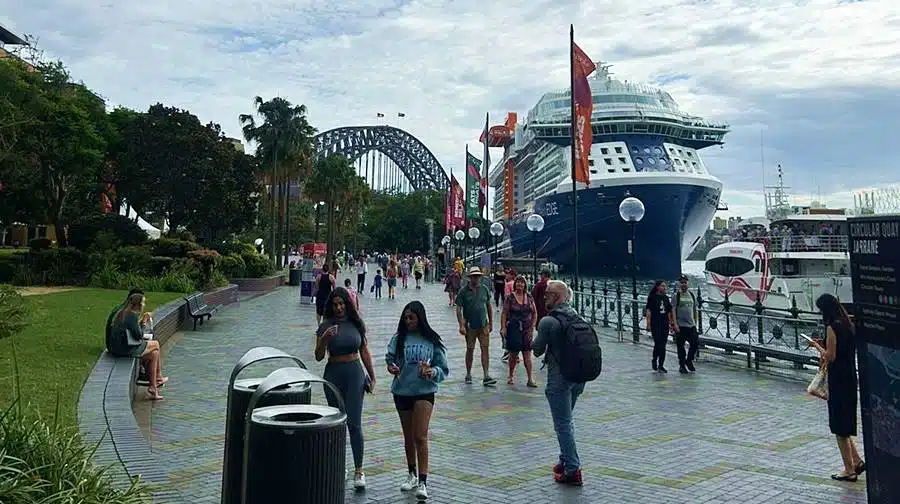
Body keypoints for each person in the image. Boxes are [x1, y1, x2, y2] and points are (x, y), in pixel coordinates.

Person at [385, 301, 450, 501]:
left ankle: (423, 480)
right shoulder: (399, 338)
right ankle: (411, 473)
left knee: (420, 436)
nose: (408, 321)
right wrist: (392, 367)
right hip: (402, 391)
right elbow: (390, 360)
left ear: (420, 318)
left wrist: (432, 372)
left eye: (411, 318)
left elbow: (443, 368)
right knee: (408, 437)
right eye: (405, 318)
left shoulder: (432, 340)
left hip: (424, 391)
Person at [314, 287, 376, 490]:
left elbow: (364, 350)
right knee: (336, 423)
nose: (339, 308)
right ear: (331, 306)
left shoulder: (356, 323)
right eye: (335, 304)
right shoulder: (325, 325)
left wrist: (372, 376)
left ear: (347, 304)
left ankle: (359, 469)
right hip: (333, 374)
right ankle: (340, 465)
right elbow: (318, 356)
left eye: (342, 304)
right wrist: (324, 339)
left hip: (354, 374)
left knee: (354, 423)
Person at [532, 280, 584, 486]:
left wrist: (526, 339)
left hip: (559, 379)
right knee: (567, 421)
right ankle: (565, 460)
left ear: (558, 296)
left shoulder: (548, 321)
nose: (544, 296)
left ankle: (572, 469)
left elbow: (536, 349)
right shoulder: (577, 315)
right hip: (579, 378)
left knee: (562, 424)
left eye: (548, 293)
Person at [809, 293, 865, 482]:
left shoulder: (832, 327)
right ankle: (856, 461)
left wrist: (816, 346)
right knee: (845, 422)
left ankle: (848, 471)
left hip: (838, 379)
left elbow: (830, 356)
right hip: (850, 376)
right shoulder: (849, 325)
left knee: (838, 427)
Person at [108, 293, 168, 400]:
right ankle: (158, 378)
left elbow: (133, 331)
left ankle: (153, 388)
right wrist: (144, 322)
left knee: (154, 354)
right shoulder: (131, 315)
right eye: (143, 302)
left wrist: (139, 323)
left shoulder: (123, 312)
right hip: (124, 349)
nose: (144, 304)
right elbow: (139, 335)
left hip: (117, 347)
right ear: (138, 304)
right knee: (156, 344)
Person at [455, 267, 496, 386]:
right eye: (474, 276)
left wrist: (491, 323)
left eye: (478, 276)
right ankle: (468, 373)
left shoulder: (484, 289)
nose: (476, 278)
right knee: (470, 349)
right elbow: (458, 308)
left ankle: (486, 375)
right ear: (470, 277)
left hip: (483, 325)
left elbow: (488, 306)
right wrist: (461, 324)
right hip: (470, 325)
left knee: (485, 349)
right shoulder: (464, 291)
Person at [501, 275, 538, 387]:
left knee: (527, 353)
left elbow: (535, 313)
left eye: (522, 282)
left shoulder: (529, 297)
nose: (520, 284)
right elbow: (504, 313)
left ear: (525, 285)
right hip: (514, 328)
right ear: (515, 284)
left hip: (527, 329)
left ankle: (530, 378)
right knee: (513, 354)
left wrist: (532, 326)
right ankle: (511, 375)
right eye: (518, 282)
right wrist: (503, 327)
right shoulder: (510, 298)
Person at [644, 280, 674, 373]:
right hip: (655, 323)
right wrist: (648, 323)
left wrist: (671, 323)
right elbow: (649, 311)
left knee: (663, 344)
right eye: (662, 286)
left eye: (665, 286)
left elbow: (669, 311)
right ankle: (654, 359)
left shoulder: (665, 298)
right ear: (657, 287)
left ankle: (661, 365)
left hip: (664, 323)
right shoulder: (652, 297)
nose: (664, 288)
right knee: (658, 343)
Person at [672, 275, 699, 374]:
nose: (683, 284)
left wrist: (695, 322)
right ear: (679, 284)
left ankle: (689, 360)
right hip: (681, 325)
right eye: (682, 282)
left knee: (695, 343)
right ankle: (682, 365)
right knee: (681, 346)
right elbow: (673, 310)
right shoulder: (676, 296)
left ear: (688, 283)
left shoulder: (691, 295)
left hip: (691, 325)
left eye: (685, 282)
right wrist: (675, 323)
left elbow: (694, 309)